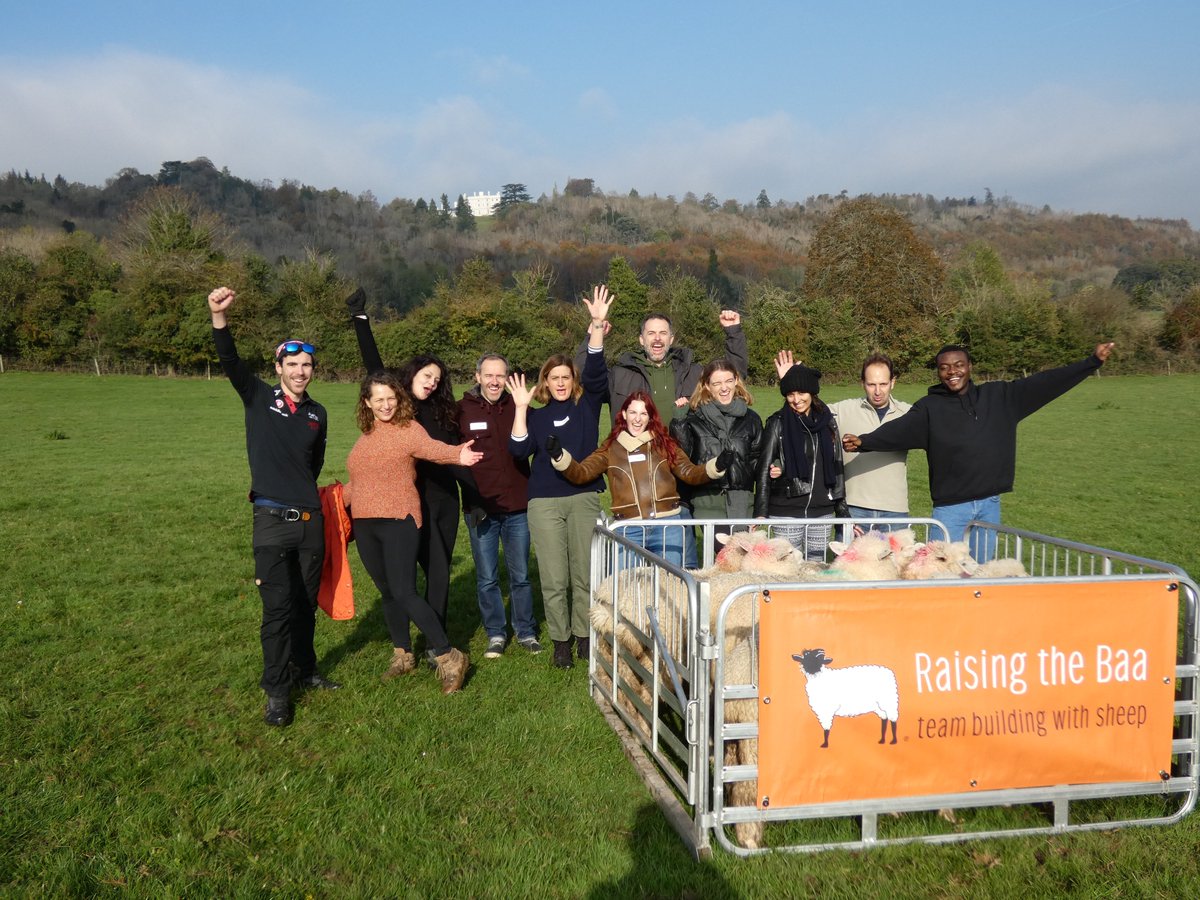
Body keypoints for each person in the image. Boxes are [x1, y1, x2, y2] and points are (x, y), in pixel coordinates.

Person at [842, 342, 1116, 560]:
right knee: (942, 572)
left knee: (981, 573)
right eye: (945, 368)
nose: (953, 372)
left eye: (959, 365)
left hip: (989, 505)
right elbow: (898, 430)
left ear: (970, 366)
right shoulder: (930, 408)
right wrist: (865, 442)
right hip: (950, 510)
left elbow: (1045, 383)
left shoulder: (1000, 398)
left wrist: (1090, 363)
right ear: (938, 372)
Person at [207, 286, 339, 728]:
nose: (301, 372)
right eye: (293, 365)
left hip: (309, 522)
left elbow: (313, 464)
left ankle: (306, 671)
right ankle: (278, 693)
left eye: (307, 366)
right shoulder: (259, 397)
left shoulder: (318, 413)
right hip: (270, 521)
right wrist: (219, 318)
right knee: (278, 610)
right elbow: (229, 361)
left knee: (304, 606)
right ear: (278, 367)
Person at [345, 289, 477, 662]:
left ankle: (439, 642)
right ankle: (406, 646)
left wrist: (476, 499)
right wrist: (360, 319)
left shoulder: (443, 411)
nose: (432, 381)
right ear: (412, 374)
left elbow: (454, 455)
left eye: (438, 378)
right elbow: (374, 368)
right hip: (401, 500)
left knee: (437, 575)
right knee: (399, 583)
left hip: (440, 501)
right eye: (426, 374)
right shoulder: (396, 405)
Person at [343, 371, 483, 693]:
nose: (386, 404)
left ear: (399, 398)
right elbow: (360, 483)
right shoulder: (365, 436)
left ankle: (449, 656)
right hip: (365, 523)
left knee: (405, 590)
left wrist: (457, 455)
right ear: (367, 402)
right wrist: (332, 498)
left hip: (400, 520)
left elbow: (433, 449)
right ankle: (402, 655)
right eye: (378, 399)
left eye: (391, 397)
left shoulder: (409, 430)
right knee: (388, 592)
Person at [510, 284, 614, 669]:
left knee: (584, 574)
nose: (559, 382)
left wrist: (597, 326)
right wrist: (521, 409)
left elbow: (598, 372)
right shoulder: (535, 417)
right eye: (552, 377)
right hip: (544, 502)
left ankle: (585, 637)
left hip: (584, 496)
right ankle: (561, 641)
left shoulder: (587, 406)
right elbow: (519, 451)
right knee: (554, 577)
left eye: (565, 376)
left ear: (573, 380)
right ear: (544, 382)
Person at [548, 391, 730, 568]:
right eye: (633, 412)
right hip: (628, 528)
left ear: (650, 417)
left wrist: (716, 466)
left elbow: (690, 473)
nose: (637, 419)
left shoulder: (664, 443)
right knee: (626, 589)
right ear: (624, 414)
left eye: (643, 413)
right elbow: (582, 473)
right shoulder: (611, 448)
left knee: (669, 588)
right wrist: (559, 456)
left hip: (667, 526)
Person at [457, 352, 540, 660]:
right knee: (488, 576)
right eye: (488, 375)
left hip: (518, 504)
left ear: (507, 379)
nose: (494, 381)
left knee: (520, 574)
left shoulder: (519, 407)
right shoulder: (461, 410)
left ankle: (526, 631)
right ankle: (495, 633)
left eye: (500, 376)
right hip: (480, 507)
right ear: (477, 377)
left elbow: (538, 442)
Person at [778, 350, 912, 525]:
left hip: (895, 510)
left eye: (883, 384)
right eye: (871, 384)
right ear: (862, 383)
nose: (878, 391)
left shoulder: (909, 413)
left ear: (893, 382)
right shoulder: (844, 410)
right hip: (854, 509)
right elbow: (805, 407)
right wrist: (791, 381)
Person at [579, 309, 748, 424]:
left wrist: (733, 332)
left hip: (682, 464)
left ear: (671, 339)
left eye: (663, 333)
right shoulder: (618, 374)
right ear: (641, 340)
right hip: (635, 464)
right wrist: (591, 337)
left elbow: (732, 377)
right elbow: (582, 380)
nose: (657, 338)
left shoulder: (693, 372)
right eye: (651, 333)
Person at [670, 359, 764, 554]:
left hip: (743, 502)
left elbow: (759, 465)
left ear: (736, 380)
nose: (724, 388)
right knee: (725, 558)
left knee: (744, 561)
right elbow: (682, 458)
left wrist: (760, 510)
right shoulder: (694, 419)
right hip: (708, 502)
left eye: (729, 381)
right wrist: (679, 421)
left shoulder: (752, 419)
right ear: (706, 386)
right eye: (717, 383)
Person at [755, 363, 848, 561]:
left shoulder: (828, 422)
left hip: (822, 511)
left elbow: (836, 466)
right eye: (790, 394)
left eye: (801, 392)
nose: (796, 400)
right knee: (785, 570)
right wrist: (760, 513)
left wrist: (842, 509)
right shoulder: (777, 423)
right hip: (786, 510)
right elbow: (764, 468)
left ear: (812, 392)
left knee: (816, 568)